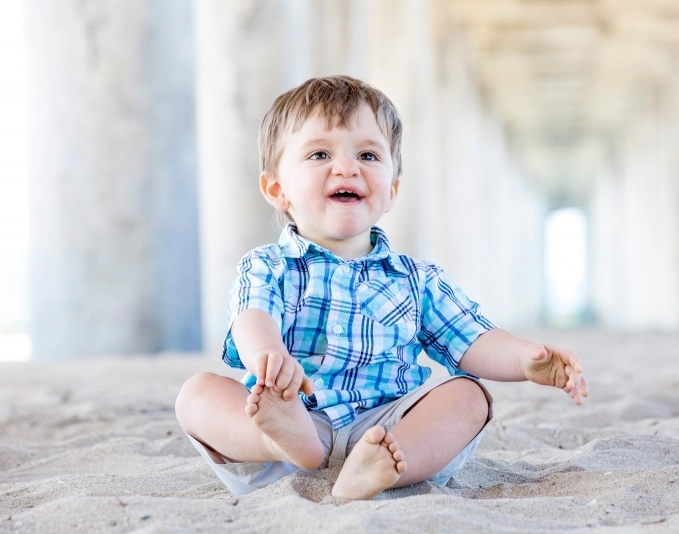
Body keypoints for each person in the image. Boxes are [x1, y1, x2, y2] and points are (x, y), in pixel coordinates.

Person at [175, 75, 589, 500]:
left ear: (391, 190)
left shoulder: (417, 278)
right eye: (320, 154)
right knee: (197, 394)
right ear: (277, 189)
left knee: (469, 396)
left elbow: (472, 339)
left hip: (384, 428)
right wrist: (269, 358)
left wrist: (525, 358)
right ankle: (280, 441)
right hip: (292, 415)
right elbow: (252, 316)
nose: (347, 167)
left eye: (368, 155)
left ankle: (379, 469)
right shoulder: (267, 265)